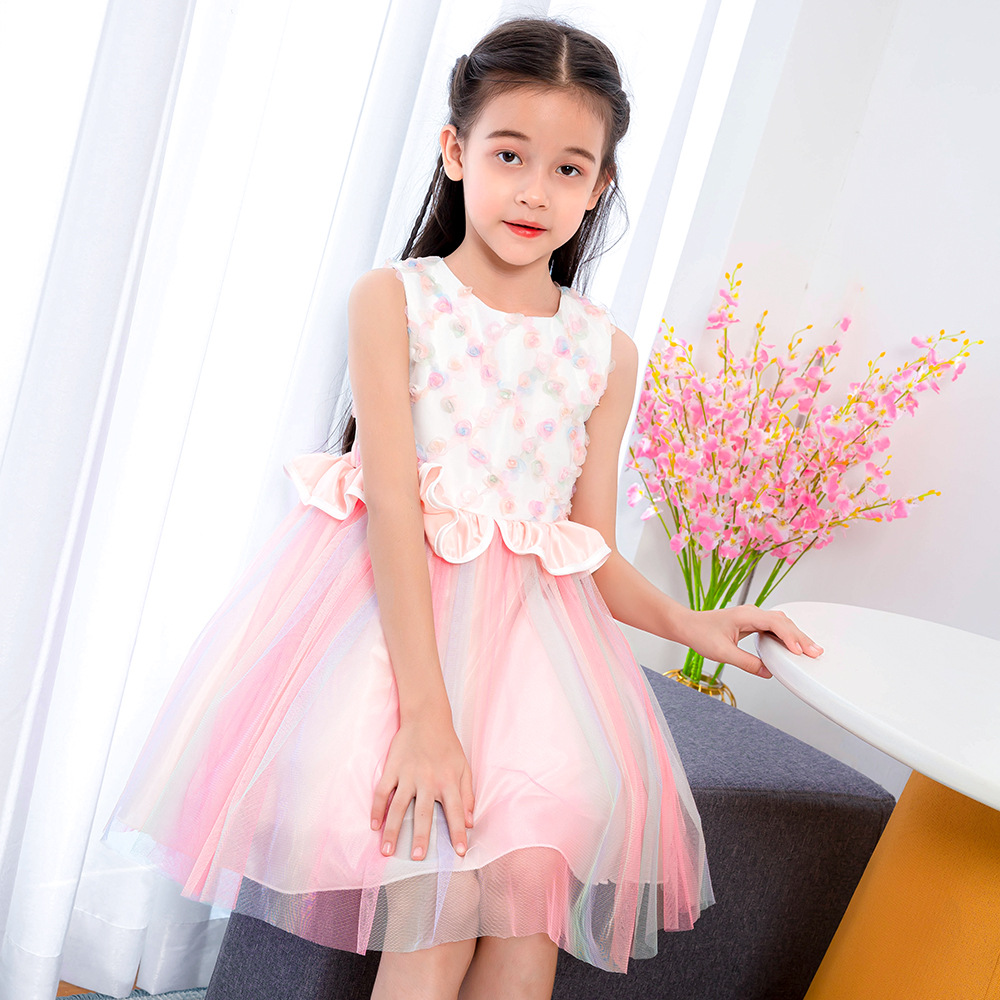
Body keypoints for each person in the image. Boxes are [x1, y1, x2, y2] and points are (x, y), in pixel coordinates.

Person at [102, 15, 822, 1000]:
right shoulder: (394, 301)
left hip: (534, 673)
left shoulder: (604, 353)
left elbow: (587, 551)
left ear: (600, 185)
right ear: (455, 151)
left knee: (527, 926)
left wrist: (688, 620)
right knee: (436, 925)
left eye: (568, 169)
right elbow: (393, 510)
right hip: (397, 659)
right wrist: (427, 719)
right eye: (509, 154)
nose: (534, 189)